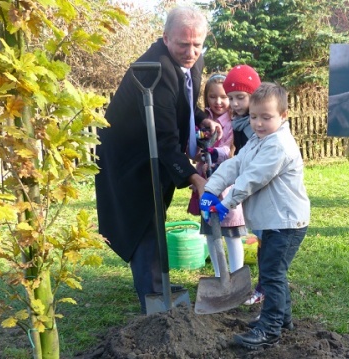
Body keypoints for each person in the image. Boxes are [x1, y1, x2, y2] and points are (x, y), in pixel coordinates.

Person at [94, 6, 221, 314]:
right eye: (183, 44)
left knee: (156, 211)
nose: (191, 52)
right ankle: (152, 293)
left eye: (197, 44)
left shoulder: (192, 60)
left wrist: (200, 118)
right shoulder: (153, 69)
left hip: (154, 146)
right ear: (165, 38)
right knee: (144, 219)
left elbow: (181, 102)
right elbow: (163, 139)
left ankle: (155, 282)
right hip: (129, 156)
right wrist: (193, 177)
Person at [200, 82, 310, 349]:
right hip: (274, 221)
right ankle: (282, 319)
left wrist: (226, 203)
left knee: (272, 275)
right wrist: (211, 190)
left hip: (287, 222)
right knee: (274, 272)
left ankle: (269, 329)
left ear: (283, 116)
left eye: (266, 117)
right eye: (253, 117)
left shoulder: (279, 145)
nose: (258, 123)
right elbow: (236, 164)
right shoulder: (259, 140)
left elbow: (252, 178)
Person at [189, 73, 246, 277]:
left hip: (228, 185)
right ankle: (219, 276)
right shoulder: (201, 120)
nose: (219, 102)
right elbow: (192, 151)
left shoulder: (233, 122)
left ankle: (236, 274)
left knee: (231, 230)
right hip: (206, 183)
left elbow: (231, 152)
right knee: (211, 232)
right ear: (206, 98)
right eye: (213, 97)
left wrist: (214, 152)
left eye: (224, 97)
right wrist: (198, 154)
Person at [222, 64, 266, 305]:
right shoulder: (239, 122)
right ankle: (263, 286)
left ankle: (264, 288)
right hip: (250, 188)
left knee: (265, 241)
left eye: (241, 97)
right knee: (260, 237)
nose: (235, 103)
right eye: (231, 98)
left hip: (263, 190)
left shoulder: (256, 125)